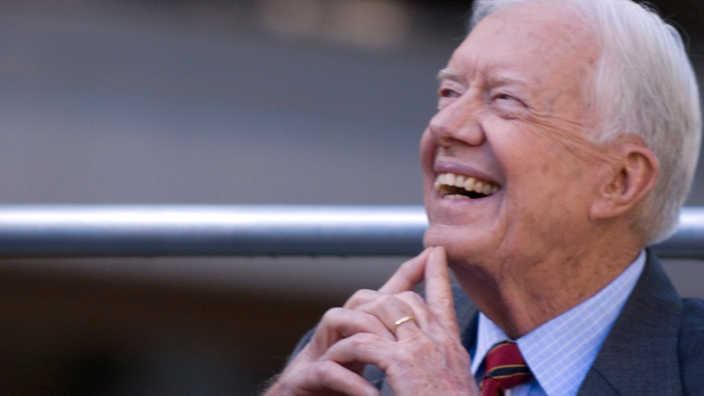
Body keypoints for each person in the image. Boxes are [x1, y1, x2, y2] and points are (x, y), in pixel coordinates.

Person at [264, 0, 704, 395]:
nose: (446, 125)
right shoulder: (365, 353)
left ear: (620, 181)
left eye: (505, 99)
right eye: (449, 92)